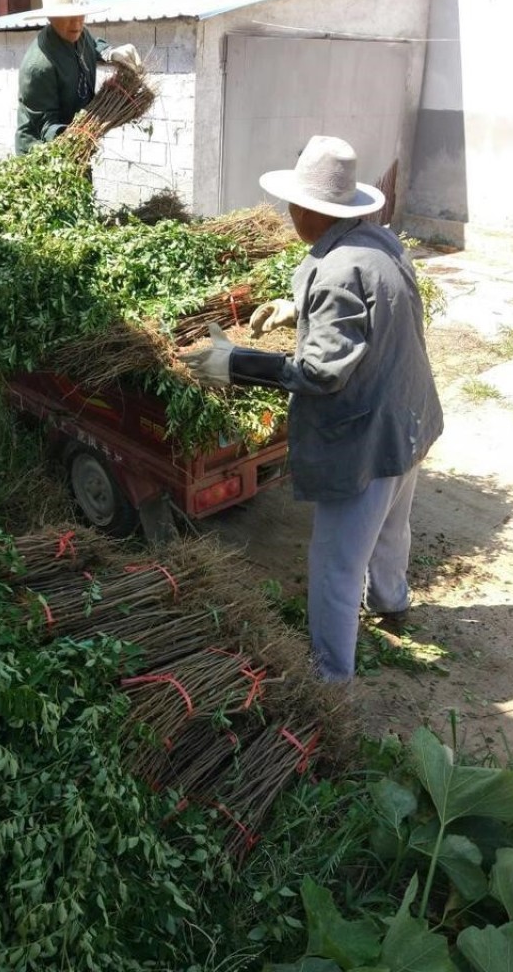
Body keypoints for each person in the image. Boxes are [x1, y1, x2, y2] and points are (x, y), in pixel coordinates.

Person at [182, 135, 444, 683]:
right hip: (409, 416)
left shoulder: (338, 272)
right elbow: (368, 302)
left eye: (292, 207)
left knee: (335, 569)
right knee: (392, 526)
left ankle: (329, 682)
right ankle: (393, 601)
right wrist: (294, 304)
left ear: (308, 210)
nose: (287, 214)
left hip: (366, 435)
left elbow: (321, 374)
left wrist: (235, 363)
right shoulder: (382, 242)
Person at [15, 0, 141, 155]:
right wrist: (78, 140)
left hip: (75, 136)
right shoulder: (39, 67)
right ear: (50, 17)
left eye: (81, 14)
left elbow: (92, 44)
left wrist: (110, 53)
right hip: (43, 151)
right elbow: (45, 125)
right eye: (68, 16)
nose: (77, 22)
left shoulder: (78, 34)